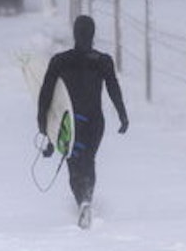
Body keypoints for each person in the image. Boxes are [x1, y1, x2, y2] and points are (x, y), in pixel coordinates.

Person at [37, 15, 129, 228]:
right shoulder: (102, 61)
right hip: (95, 122)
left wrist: (46, 130)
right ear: (93, 34)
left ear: (75, 33)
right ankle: (87, 199)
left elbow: (45, 96)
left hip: (70, 123)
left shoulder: (60, 61)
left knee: (74, 162)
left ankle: (82, 202)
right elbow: (113, 89)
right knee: (88, 160)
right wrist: (123, 115)